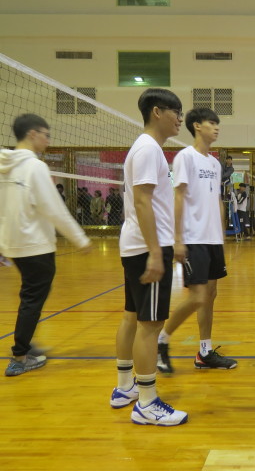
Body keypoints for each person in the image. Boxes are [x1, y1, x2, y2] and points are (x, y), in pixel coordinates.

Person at [111, 88, 188, 426]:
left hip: (137, 245)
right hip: (146, 248)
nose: (180, 119)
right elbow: (143, 202)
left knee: (132, 316)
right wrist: (157, 253)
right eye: (176, 112)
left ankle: (124, 386)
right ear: (157, 112)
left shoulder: (147, 148)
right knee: (150, 325)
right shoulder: (147, 149)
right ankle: (146, 402)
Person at [0, 113, 92, 376]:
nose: (48, 140)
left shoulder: (5, 165)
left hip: (15, 245)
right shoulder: (35, 167)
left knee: (30, 296)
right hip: (35, 246)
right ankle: (20, 356)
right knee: (32, 299)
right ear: (32, 134)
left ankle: (25, 343)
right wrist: (80, 239)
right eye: (46, 135)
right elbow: (55, 209)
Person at [156, 108, 237, 375]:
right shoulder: (185, 157)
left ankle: (204, 351)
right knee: (199, 296)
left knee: (210, 296)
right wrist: (178, 239)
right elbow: (178, 197)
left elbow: (217, 200)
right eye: (211, 123)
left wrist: (221, 235)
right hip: (193, 237)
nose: (216, 127)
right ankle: (161, 340)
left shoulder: (215, 163)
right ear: (197, 126)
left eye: (217, 123)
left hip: (213, 239)